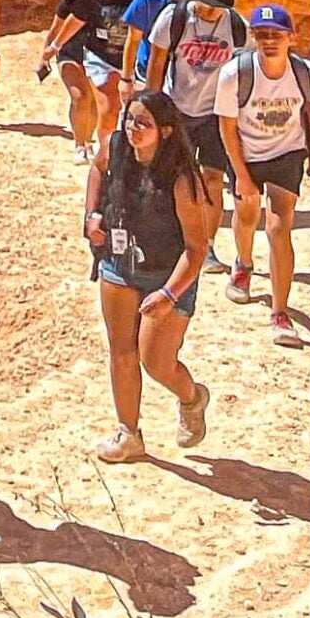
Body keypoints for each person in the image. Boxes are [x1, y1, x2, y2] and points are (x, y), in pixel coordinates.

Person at [84, 91, 215, 462]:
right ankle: (129, 434)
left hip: (167, 274)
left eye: (144, 124)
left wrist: (170, 295)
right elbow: (97, 169)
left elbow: (196, 248)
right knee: (122, 351)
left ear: (166, 131)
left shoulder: (182, 178)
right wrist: (92, 214)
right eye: (130, 119)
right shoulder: (117, 146)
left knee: (156, 360)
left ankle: (192, 398)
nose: (133, 129)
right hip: (119, 263)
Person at [216, 4, 310, 349]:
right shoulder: (235, 74)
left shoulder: (306, 73)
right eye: (261, 34)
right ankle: (242, 264)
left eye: (276, 34)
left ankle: (280, 312)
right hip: (246, 152)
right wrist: (241, 176)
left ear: (291, 37)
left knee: (278, 226)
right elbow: (226, 127)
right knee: (246, 215)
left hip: (287, 154)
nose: (269, 41)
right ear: (253, 37)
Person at [143, 0, 245, 274]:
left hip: (216, 112)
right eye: (207, 4)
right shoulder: (174, 19)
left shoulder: (236, 27)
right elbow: (158, 62)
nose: (213, 12)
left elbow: (244, 69)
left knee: (213, 178)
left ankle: (207, 244)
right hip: (177, 107)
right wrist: (151, 106)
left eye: (220, 6)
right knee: (171, 176)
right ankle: (166, 237)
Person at [40, 0, 138, 164]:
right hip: (90, 54)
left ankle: (103, 148)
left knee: (108, 107)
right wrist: (53, 47)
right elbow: (69, 22)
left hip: (125, 56)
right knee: (91, 102)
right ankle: (93, 150)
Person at [121, 0, 201, 83]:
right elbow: (133, 39)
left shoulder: (200, 3)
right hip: (148, 71)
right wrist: (126, 78)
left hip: (184, 76)